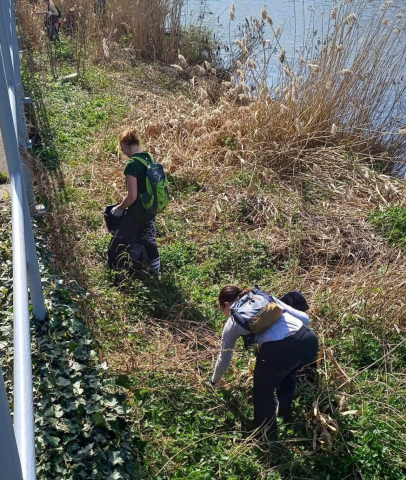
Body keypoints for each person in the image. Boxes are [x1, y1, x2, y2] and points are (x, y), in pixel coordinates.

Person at [210, 285, 318, 440]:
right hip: (309, 341)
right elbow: (305, 319)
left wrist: (214, 382)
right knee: (287, 371)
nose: (225, 315)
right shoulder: (264, 298)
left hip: (279, 351)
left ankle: (266, 437)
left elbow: (224, 358)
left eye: (222, 310)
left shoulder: (233, 321)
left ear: (227, 304)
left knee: (263, 391)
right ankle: (285, 414)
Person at [107, 128, 156, 276]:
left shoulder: (132, 164)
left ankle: (120, 277)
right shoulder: (148, 157)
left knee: (114, 249)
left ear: (123, 145)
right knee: (146, 241)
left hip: (137, 213)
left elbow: (132, 196)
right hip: (150, 209)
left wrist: (119, 209)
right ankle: (153, 271)